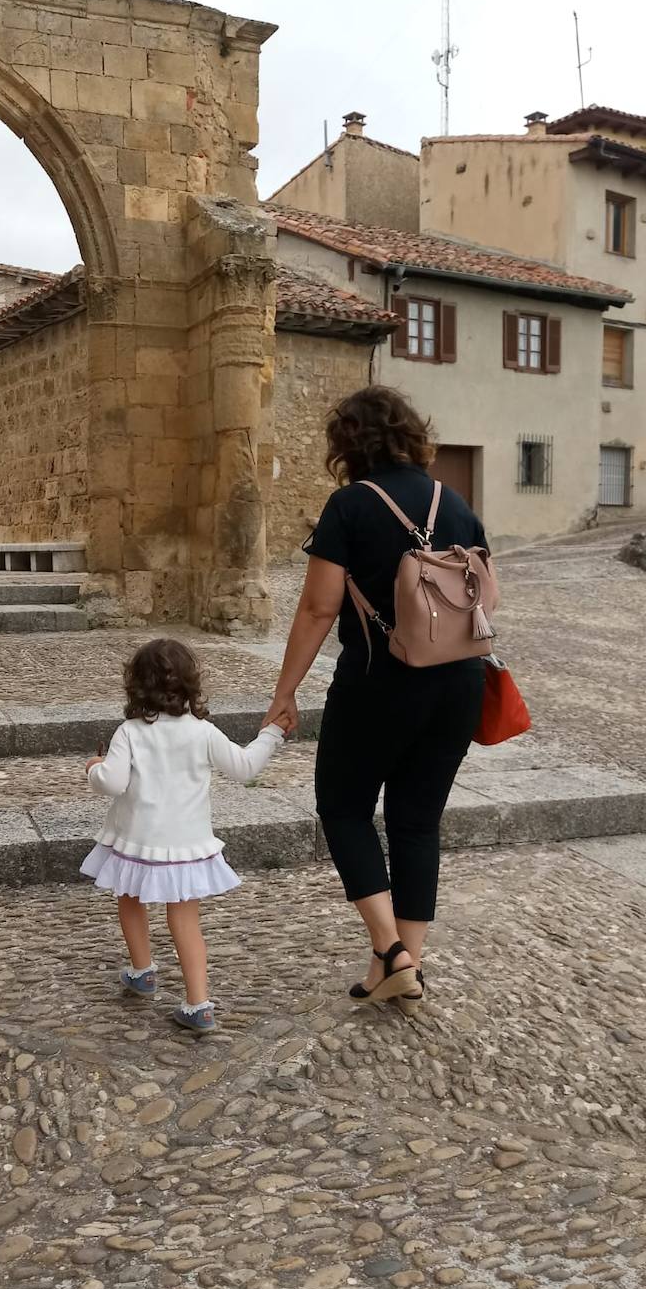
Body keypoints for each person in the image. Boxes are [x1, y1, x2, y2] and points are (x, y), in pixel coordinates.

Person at [263, 386, 489, 1014]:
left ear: (348, 444)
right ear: (413, 435)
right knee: (417, 822)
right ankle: (400, 970)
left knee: (342, 808)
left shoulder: (351, 506)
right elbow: (484, 593)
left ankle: (392, 953)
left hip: (378, 686)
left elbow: (316, 608)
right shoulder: (458, 503)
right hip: (459, 684)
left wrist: (285, 693)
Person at [83, 638, 288, 1033]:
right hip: (186, 844)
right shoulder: (203, 732)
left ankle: (142, 971)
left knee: (129, 900)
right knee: (186, 920)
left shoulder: (129, 732)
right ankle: (198, 1003)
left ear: (136, 686)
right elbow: (245, 767)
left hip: (136, 841)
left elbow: (112, 781)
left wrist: (94, 766)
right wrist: (272, 734)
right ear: (191, 684)